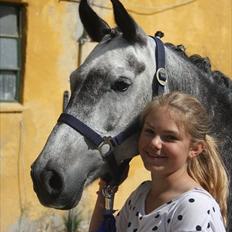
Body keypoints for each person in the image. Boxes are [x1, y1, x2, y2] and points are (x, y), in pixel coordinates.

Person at [89, 92, 229, 232]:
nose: (155, 143)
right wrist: (106, 189)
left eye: (169, 137)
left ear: (195, 149)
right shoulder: (141, 195)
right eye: (149, 131)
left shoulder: (194, 206)